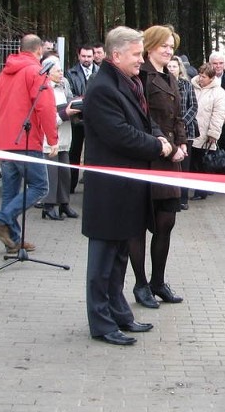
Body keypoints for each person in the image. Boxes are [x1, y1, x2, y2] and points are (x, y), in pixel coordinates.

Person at [82, 26, 173, 346]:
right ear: (116, 55)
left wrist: (159, 135)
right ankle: (101, 322)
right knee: (103, 261)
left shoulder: (128, 82)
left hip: (127, 187)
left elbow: (143, 121)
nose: (141, 60)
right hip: (109, 190)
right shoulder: (103, 88)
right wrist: (155, 146)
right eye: (136, 55)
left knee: (119, 256)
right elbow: (119, 134)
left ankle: (120, 312)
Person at [128, 25, 187, 309]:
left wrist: (183, 143)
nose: (168, 50)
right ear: (149, 46)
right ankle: (141, 285)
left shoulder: (169, 76)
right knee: (138, 225)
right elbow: (142, 117)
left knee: (167, 222)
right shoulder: (140, 76)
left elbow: (178, 115)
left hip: (170, 157)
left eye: (171, 46)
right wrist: (164, 144)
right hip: (148, 156)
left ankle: (158, 281)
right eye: (163, 45)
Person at [0, 34, 59, 252]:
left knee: (10, 191)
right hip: (26, 141)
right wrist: (52, 139)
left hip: (6, 139)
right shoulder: (36, 72)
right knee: (40, 186)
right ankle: (2, 218)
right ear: (39, 50)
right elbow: (45, 107)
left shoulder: (3, 74)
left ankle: (13, 241)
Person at [40, 56, 80, 221]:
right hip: (49, 140)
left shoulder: (64, 87)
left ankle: (64, 203)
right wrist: (65, 114)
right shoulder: (43, 90)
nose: (61, 73)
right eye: (57, 70)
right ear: (48, 73)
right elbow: (46, 118)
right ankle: (48, 205)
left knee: (65, 173)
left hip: (64, 138)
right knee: (52, 173)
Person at [189, 63, 225, 200]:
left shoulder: (219, 92)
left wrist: (213, 133)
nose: (200, 78)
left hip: (206, 134)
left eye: (203, 76)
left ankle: (201, 191)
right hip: (191, 131)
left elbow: (219, 114)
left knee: (203, 164)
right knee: (192, 162)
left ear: (211, 78)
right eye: (199, 75)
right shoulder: (191, 87)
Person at [66, 44, 99, 193]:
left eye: (89, 56)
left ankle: (90, 185)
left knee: (92, 154)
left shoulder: (100, 73)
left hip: (94, 121)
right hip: (77, 120)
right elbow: (70, 97)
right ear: (78, 56)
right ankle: (70, 185)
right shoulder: (71, 73)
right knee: (74, 153)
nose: (86, 59)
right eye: (84, 56)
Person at [168, 55, 198, 210]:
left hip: (187, 130)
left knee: (185, 166)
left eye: (174, 66)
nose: (171, 69)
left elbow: (193, 106)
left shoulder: (187, 85)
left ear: (179, 68)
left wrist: (183, 123)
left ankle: (183, 198)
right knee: (172, 165)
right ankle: (172, 198)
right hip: (168, 131)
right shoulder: (162, 84)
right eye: (169, 66)